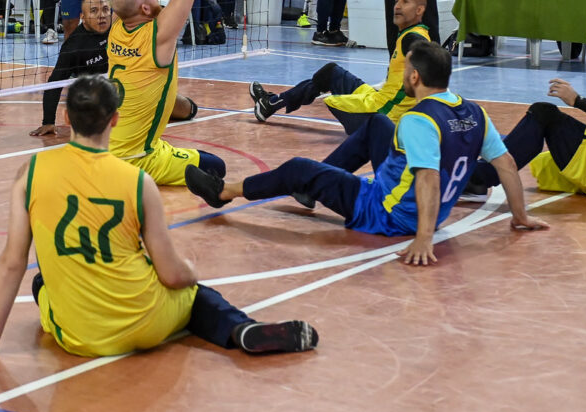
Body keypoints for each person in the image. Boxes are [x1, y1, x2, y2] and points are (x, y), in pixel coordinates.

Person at [0, 75, 318, 360]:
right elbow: (171, 274)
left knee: (40, 282)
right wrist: (191, 270)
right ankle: (239, 328)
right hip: (146, 322)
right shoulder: (139, 182)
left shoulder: (30, 172)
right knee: (192, 291)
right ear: (115, 120)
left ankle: (79, 309)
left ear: (67, 116)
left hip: (80, 339)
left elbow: (11, 262)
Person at [186, 41, 549, 265]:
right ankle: (315, 185)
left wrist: (423, 238)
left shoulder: (420, 120)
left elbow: (428, 179)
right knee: (377, 124)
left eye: (406, 69)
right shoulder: (474, 111)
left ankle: (222, 193)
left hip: (386, 214)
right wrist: (519, 215)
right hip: (423, 210)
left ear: (415, 79)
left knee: (298, 167)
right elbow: (506, 164)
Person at [465, 12, 586, 200]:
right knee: (544, 162)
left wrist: (578, 101)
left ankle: (479, 179)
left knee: (544, 113)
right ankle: (483, 173)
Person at [103, 0, 225, 188]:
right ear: (145, 8)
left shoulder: (117, 26)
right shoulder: (158, 35)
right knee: (217, 167)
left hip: (104, 152)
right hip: (136, 159)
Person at [251, 0, 431, 128]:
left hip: (384, 114)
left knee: (332, 101)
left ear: (419, 10)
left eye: (405, 2)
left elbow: (427, 70)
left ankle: (271, 103)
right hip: (380, 99)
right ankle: (270, 104)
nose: (397, 6)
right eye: (396, 1)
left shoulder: (413, 38)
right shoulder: (408, 34)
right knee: (330, 72)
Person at [30, 0, 197, 136]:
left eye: (105, 10)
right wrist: (48, 121)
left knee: (188, 110)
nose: (101, 15)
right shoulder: (73, 46)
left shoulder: (120, 24)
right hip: (104, 99)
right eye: (94, 11)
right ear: (83, 17)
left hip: (140, 88)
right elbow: (56, 81)